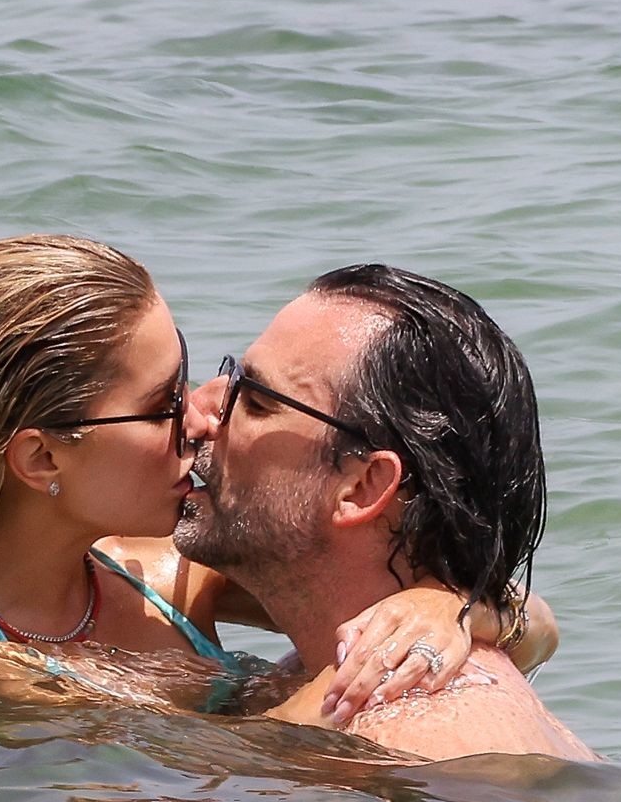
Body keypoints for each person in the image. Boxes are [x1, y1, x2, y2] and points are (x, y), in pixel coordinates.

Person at [0, 235, 556, 709]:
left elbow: (541, 626)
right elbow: (203, 792)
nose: (201, 415)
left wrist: (447, 609)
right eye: (162, 403)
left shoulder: (165, 576)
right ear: (43, 458)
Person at [175, 263, 598, 762]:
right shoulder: (327, 677)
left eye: (256, 401)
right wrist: (480, 607)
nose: (196, 411)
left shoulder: (431, 732)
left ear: (362, 485)